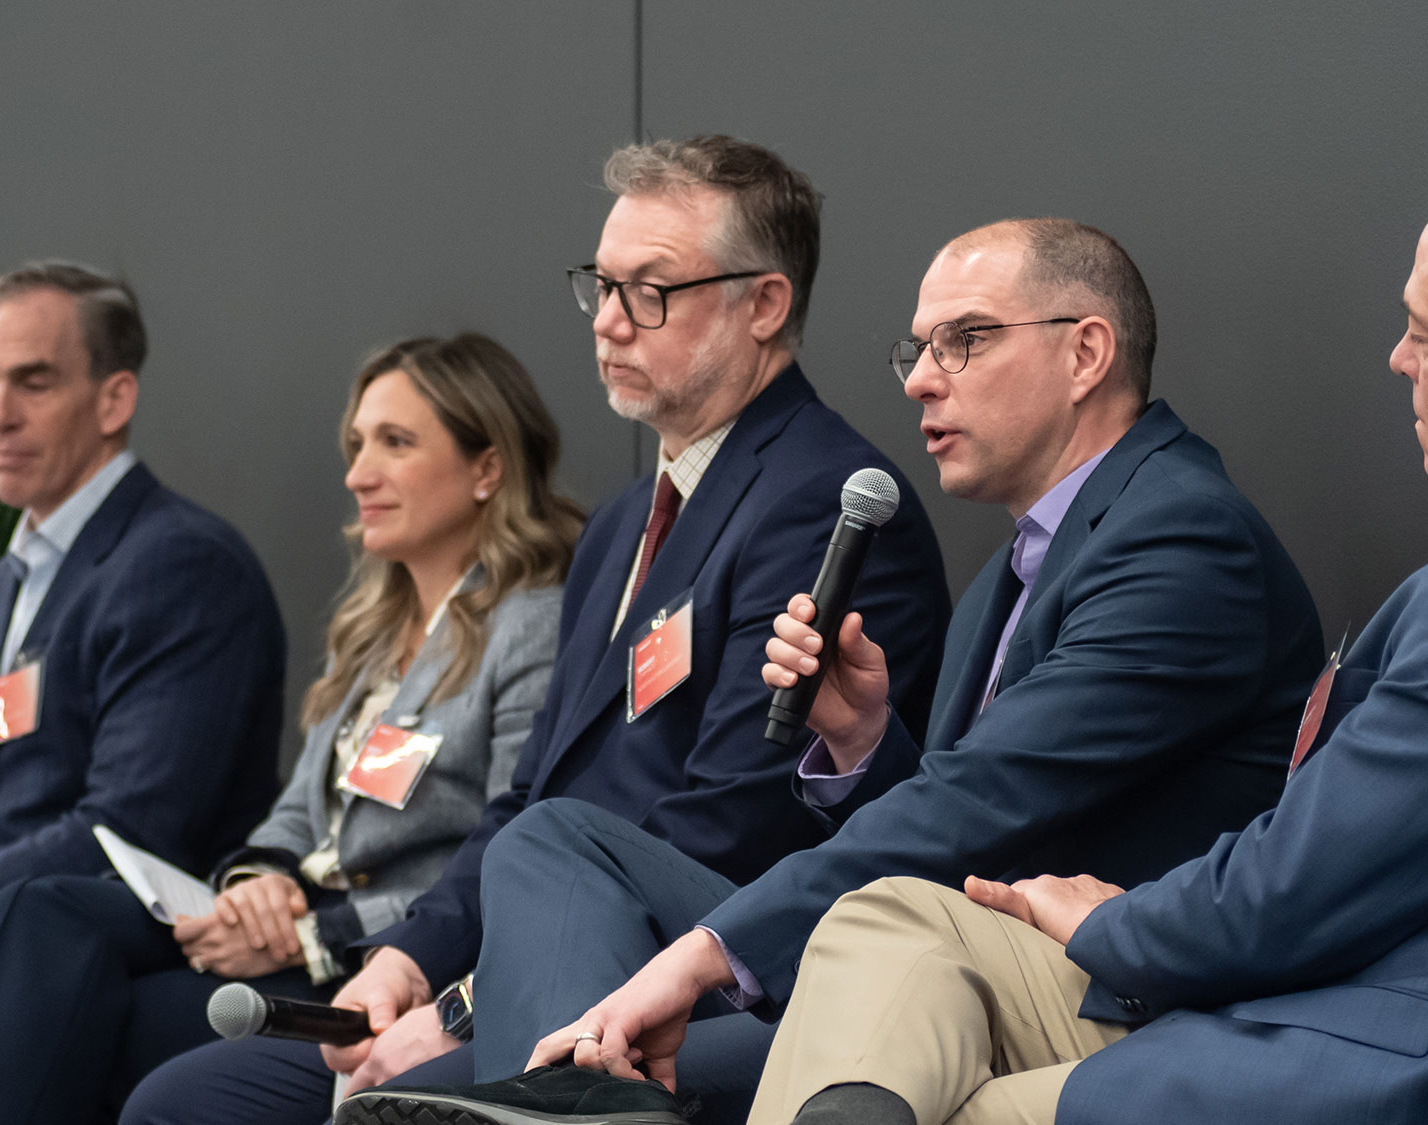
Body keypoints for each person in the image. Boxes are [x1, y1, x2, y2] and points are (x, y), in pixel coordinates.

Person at [731, 170, 1428, 1125]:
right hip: (1387, 1011)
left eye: (1422, 334)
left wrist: (1110, 918)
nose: (1395, 360)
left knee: (955, 1104)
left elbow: (1295, 892)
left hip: (1386, 1056)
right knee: (892, 927)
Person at [334, 217, 1325, 1125]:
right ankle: (576, 1101)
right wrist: (858, 743)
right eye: (917, 348)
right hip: (923, 946)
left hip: (1076, 988)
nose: (919, 380)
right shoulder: (1012, 568)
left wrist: (695, 958)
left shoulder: (1179, 540)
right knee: (554, 841)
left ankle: (572, 1102)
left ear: (1084, 351)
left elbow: (978, 809)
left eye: (963, 341)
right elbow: (966, 822)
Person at [125, 135, 950, 1125]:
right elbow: (528, 792)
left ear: (764, 305)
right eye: (599, 287)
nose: (608, 322)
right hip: (524, 957)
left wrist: (461, 1007)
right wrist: (405, 962)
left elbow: (737, 828)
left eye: (650, 291)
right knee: (183, 1102)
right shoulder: (615, 526)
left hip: (693, 986)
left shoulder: (819, 501)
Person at [0, 333, 580, 1123]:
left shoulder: (530, 623)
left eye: (395, 444)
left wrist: (312, 932)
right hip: (290, 929)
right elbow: (297, 814)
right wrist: (254, 884)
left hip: (379, 963)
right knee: (45, 908)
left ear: (488, 468)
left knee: (87, 1023)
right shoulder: (372, 630)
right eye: (357, 444)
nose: (358, 473)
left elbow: (502, 849)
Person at [0, 262, 286, 1122]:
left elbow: (128, 828)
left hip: (60, 944)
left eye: (33, 382)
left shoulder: (182, 565)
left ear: (113, 401)